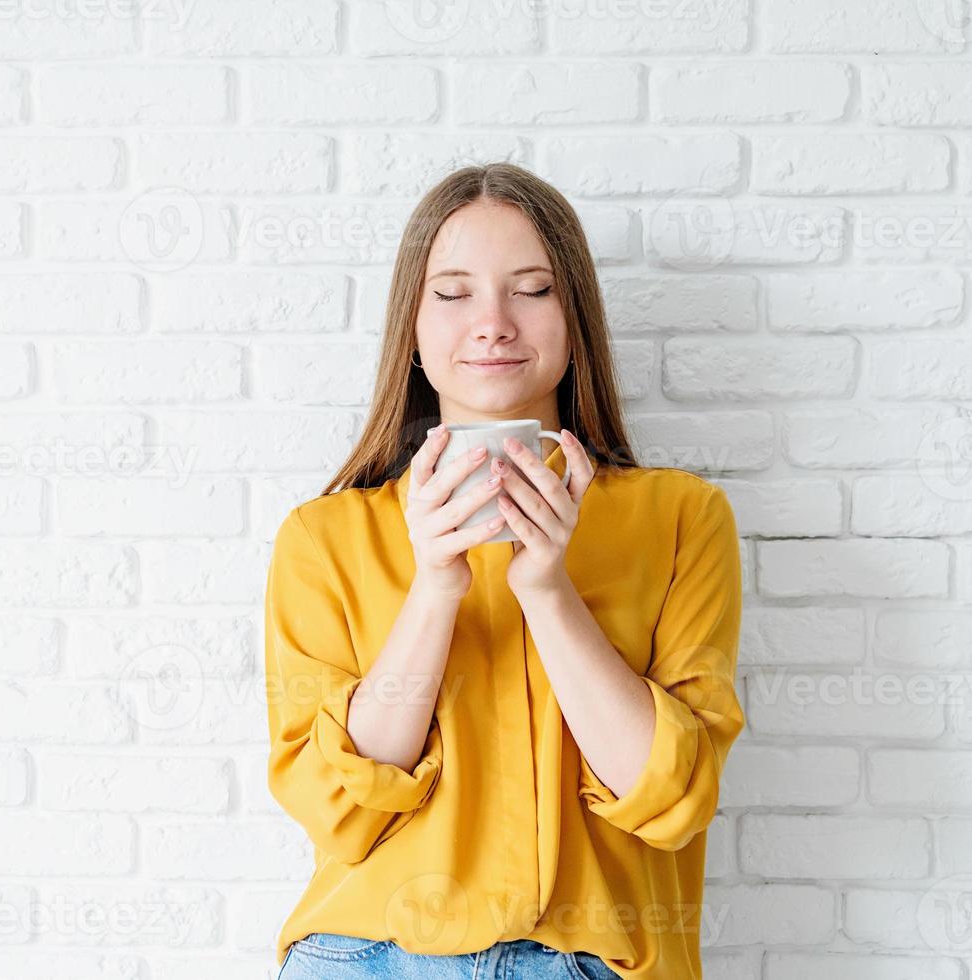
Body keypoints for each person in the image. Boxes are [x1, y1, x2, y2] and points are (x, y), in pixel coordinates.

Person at [264, 163, 745, 980]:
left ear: (575, 317)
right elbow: (338, 809)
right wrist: (434, 587)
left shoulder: (679, 519)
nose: (492, 324)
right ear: (411, 331)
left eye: (530, 289)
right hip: (365, 957)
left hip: (590, 963)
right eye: (452, 294)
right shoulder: (324, 536)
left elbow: (670, 800)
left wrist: (547, 592)